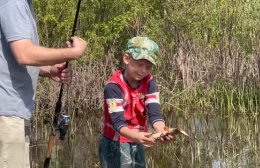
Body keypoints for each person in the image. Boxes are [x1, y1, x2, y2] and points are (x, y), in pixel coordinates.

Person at [0, 0, 87, 167]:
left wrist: (49, 70)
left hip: (15, 111)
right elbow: (24, 53)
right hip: (7, 113)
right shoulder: (14, 2)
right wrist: (73, 53)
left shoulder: (23, 4)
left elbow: (10, 57)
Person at [99, 36, 173, 168]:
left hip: (138, 139)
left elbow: (155, 113)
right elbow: (118, 123)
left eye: (148, 66)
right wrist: (136, 136)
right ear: (126, 58)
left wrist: (162, 130)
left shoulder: (149, 81)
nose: (143, 71)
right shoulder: (113, 87)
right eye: (139, 64)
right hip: (115, 142)